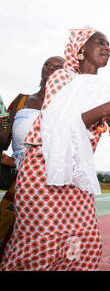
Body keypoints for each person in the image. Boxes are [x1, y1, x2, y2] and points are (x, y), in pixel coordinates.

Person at [0, 26, 110, 271]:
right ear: (81, 49)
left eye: (109, 44)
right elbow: (56, 126)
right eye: (100, 42)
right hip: (43, 173)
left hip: (77, 178)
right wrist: (105, 109)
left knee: (84, 243)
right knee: (39, 247)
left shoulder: (105, 91)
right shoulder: (61, 78)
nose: (107, 47)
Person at [0, 56, 65, 260]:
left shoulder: (65, 107)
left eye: (57, 67)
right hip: (18, 182)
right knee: (5, 233)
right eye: (48, 64)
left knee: (40, 241)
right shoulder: (21, 100)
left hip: (50, 184)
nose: (51, 68)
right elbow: (4, 140)